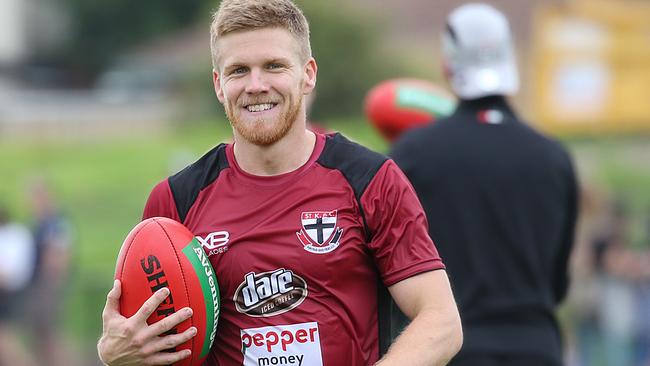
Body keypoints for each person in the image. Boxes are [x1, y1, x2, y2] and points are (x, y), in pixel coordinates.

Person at [97, 0, 463, 365]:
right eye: (238, 70)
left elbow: (442, 322)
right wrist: (118, 356)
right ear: (218, 85)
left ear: (308, 74)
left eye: (273, 66)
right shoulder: (176, 202)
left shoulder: (370, 182)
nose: (256, 85)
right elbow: (148, 342)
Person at [390, 4, 578, 366]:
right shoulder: (554, 156)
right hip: (537, 348)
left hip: (452, 348)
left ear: (448, 66)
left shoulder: (414, 153)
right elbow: (557, 283)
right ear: (512, 64)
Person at [0, 203, 37, 366]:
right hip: (9, 292)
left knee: (6, 339)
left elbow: (13, 272)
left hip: (12, 293)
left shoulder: (15, 235)